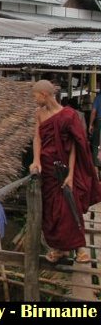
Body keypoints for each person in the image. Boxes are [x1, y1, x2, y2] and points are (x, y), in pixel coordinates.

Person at [30, 80, 101, 263]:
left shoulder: (68, 115)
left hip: (64, 169)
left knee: (70, 206)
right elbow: (37, 138)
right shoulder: (39, 114)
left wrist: (70, 174)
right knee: (51, 211)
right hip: (47, 170)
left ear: (44, 95)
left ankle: (80, 249)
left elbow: (75, 147)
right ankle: (60, 249)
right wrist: (36, 160)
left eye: (35, 95)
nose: (34, 99)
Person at [88, 92, 101, 171]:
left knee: (96, 145)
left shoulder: (98, 97)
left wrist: (90, 124)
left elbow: (93, 112)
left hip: (99, 122)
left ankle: (96, 173)